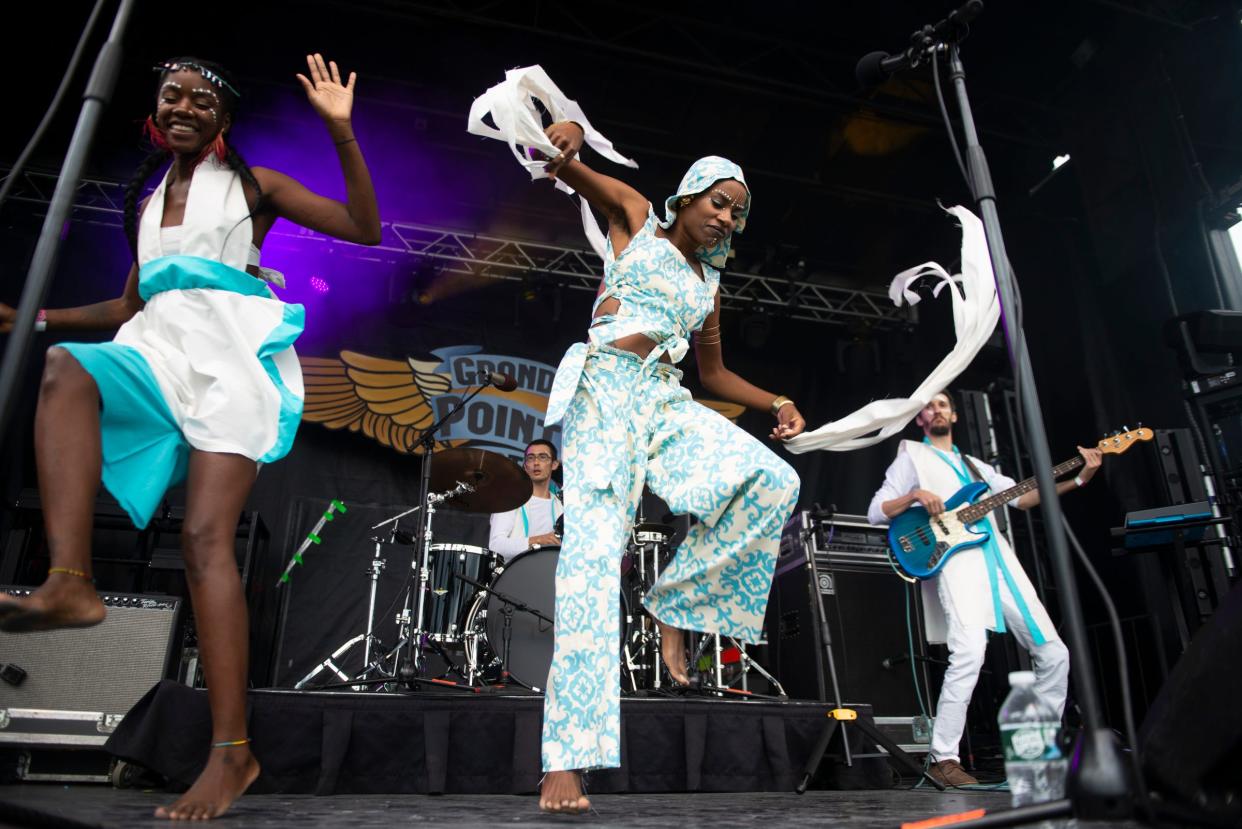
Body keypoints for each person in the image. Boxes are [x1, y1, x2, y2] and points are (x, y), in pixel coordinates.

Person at [0, 55, 380, 819]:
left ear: (222, 120)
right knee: (67, 367)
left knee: (207, 541)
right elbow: (124, 305)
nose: (183, 105)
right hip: (156, 351)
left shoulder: (252, 185)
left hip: (228, 362)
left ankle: (232, 753)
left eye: (201, 100)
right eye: (171, 94)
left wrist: (341, 133)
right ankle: (71, 581)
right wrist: (33, 319)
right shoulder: (147, 200)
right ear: (154, 109)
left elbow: (365, 228)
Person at [527, 121, 803, 813]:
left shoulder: (708, 287)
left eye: (738, 211)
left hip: (664, 399)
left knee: (776, 480)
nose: (727, 217)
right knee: (590, 560)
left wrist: (777, 398)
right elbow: (568, 168)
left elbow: (713, 372)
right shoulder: (638, 219)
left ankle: (674, 605)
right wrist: (561, 143)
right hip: (606, 391)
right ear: (687, 196)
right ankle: (567, 757)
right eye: (719, 200)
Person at [867, 390, 1101, 787]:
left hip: (1001, 562)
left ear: (954, 415)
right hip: (959, 564)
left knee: (1054, 652)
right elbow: (876, 511)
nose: (935, 409)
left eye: (942, 404)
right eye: (928, 406)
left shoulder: (978, 467)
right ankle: (944, 757)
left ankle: (1038, 752)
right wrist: (913, 495)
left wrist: (1079, 477)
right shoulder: (913, 456)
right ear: (919, 418)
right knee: (970, 653)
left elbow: (1024, 498)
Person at [488, 439, 563, 560]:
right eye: (531, 458)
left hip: (549, 574)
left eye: (543, 457)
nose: (536, 462)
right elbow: (495, 546)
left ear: (554, 465)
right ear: (525, 466)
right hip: (514, 574)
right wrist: (538, 540)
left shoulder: (561, 506)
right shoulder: (509, 499)